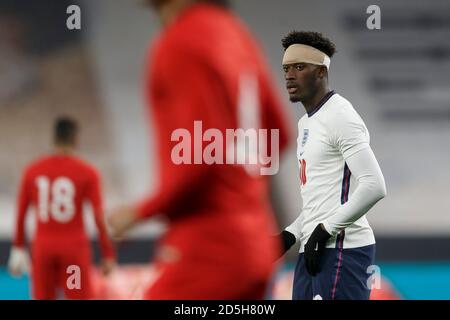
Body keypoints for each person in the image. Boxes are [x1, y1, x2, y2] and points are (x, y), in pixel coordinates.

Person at [108, 0, 291, 299]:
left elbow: (200, 158)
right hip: (257, 242)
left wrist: (137, 213)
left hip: (208, 250)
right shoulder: (234, 32)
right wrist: (240, 189)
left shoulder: (179, 43)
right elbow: (279, 132)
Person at [277, 31, 387, 300]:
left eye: (300, 67)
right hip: (313, 247)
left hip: (342, 249)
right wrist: (290, 235)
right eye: (286, 68)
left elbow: (374, 185)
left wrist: (325, 230)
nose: (290, 75)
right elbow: (323, 198)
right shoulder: (306, 123)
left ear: (321, 72)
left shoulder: (341, 116)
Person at [9, 117, 116, 299]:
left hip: (43, 249)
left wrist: (18, 248)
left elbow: (21, 214)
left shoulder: (33, 170)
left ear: (54, 138)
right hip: (74, 250)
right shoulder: (87, 172)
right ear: (76, 139)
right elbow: (99, 216)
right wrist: (107, 253)